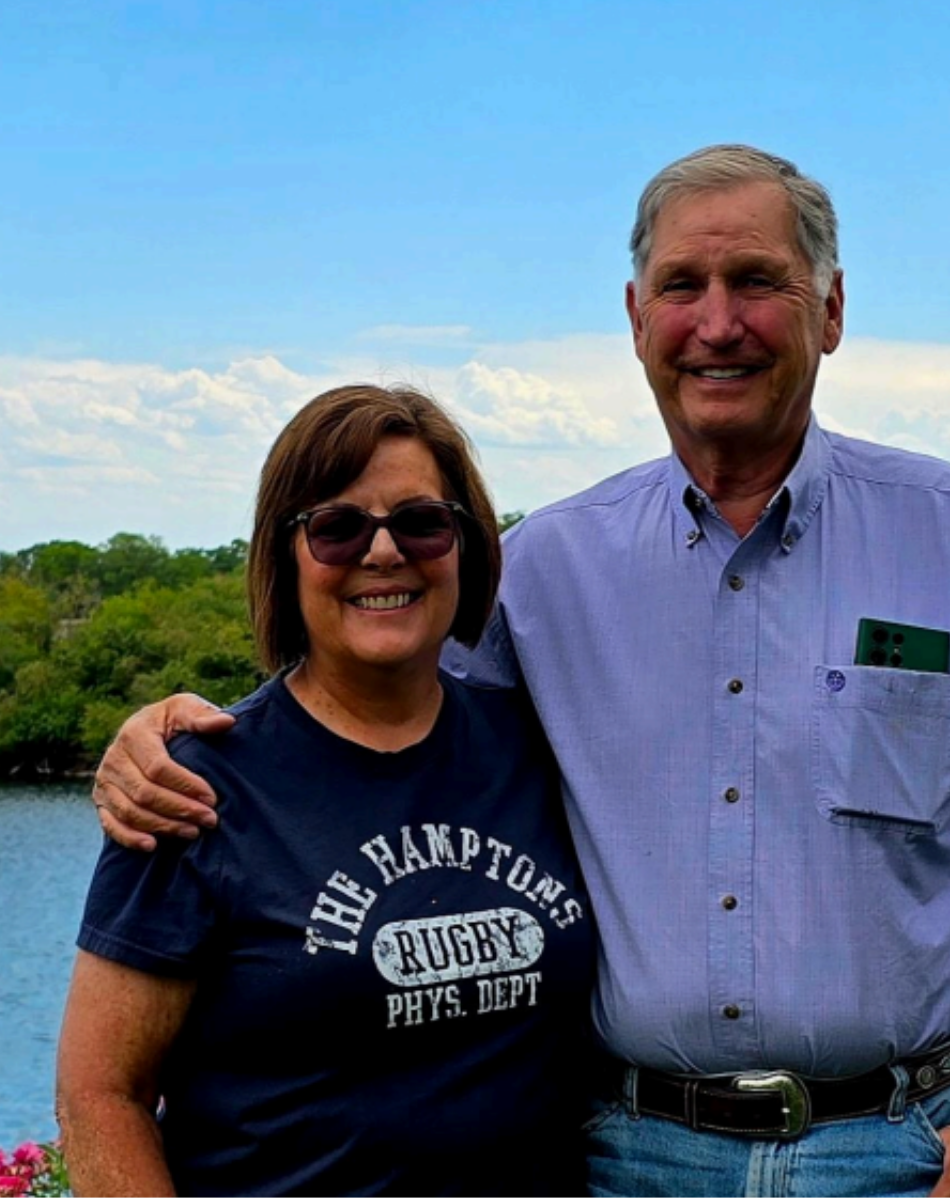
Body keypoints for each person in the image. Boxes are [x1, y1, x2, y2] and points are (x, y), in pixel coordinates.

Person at [92, 146, 950, 1198]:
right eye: (682, 285)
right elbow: (370, 714)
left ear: (832, 310)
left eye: (757, 280)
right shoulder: (540, 572)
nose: (718, 323)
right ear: (635, 321)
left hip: (916, 1154)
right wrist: (171, 744)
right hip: (623, 1161)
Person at [58, 385, 595, 1197]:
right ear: (285, 555)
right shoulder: (195, 787)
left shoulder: (542, 743)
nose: (384, 554)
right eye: (337, 528)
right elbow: (101, 1094)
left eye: (420, 521)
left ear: (467, 545)